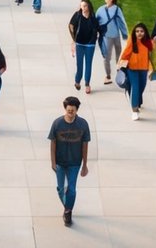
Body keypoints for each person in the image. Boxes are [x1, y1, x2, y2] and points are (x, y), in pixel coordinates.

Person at [48, 96, 91, 227]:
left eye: (73, 110)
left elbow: (85, 145)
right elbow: (52, 143)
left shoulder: (83, 124)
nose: (70, 113)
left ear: (77, 110)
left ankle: (68, 212)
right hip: (60, 163)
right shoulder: (57, 123)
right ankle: (68, 207)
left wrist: (84, 165)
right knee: (61, 189)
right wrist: (53, 162)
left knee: (71, 189)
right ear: (65, 109)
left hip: (74, 163)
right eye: (68, 110)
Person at [119, 22, 154, 120]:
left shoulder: (148, 42)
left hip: (144, 68)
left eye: (141, 31)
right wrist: (120, 65)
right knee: (135, 87)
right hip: (132, 68)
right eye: (137, 31)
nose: (139, 33)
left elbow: (152, 55)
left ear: (145, 32)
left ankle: (136, 101)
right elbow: (126, 53)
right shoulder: (132, 41)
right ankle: (134, 110)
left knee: (141, 87)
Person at [96, 0, 128, 85]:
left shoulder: (117, 9)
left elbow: (121, 21)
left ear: (113, 0)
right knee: (106, 57)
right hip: (106, 37)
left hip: (116, 36)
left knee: (119, 56)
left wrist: (124, 33)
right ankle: (108, 75)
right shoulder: (100, 10)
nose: (107, 0)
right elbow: (95, 21)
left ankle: (119, 72)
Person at [69, 0, 99, 94]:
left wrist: (95, 37)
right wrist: (73, 39)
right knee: (79, 65)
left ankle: (87, 84)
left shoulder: (93, 16)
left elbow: (96, 29)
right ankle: (77, 81)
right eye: (82, 6)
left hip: (90, 44)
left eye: (85, 6)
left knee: (88, 64)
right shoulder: (77, 15)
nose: (83, 8)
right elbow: (70, 25)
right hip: (79, 43)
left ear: (89, 6)